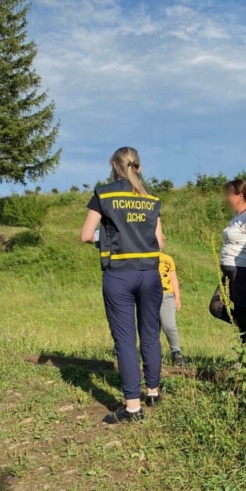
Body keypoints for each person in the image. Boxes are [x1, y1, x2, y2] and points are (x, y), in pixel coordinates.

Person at [80, 147, 164, 423]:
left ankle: (131, 408)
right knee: (150, 333)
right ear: (138, 166)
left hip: (119, 274)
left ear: (114, 166)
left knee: (125, 340)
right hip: (150, 274)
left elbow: (84, 235)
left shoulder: (104, 194)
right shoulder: (151, 198)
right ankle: (152, 391)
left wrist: (106, 239)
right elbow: (160, 241)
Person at [209, 179, 246, 343]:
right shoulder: (238, 217)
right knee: (216, 306)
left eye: (228, 194)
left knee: (241, 314)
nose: (226, 198)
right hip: (231, 271)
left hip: (243, 271)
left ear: (240, 196)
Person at [158, 236, 184, 367]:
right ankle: (153, 354)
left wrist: (177, 297)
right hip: (149, 297)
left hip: (166, 296)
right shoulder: (145, 259)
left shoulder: (168, 260)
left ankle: (176, 352)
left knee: (169, 326)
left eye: (160, 240)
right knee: (151, 328)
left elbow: (173, 279)